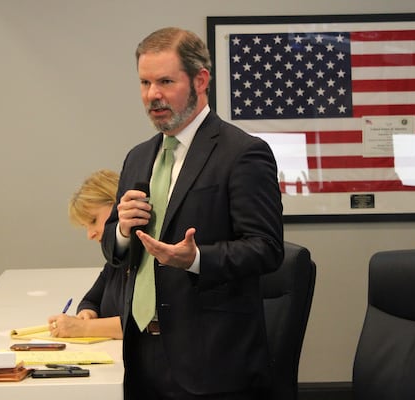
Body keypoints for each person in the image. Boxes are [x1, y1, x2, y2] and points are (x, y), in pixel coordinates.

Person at [101, 27, 284, 399]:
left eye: (166, 81)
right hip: (139, 355)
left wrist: (197, 258)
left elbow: (266, 248)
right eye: (145, 82)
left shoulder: (243, 153)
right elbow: (113, 249)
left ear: (201, 80)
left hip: (211, 363)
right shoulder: (138, 157)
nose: (153, 95)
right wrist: (121, 231)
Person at [48, 169, 124, 339]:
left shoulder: (150, 257)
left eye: (93, 221)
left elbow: (144, 325)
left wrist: (84, 327)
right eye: (85, 227)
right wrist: (87, 313)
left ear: (117, 204)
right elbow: (90, 300)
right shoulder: (116, 260)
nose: (90, 235)